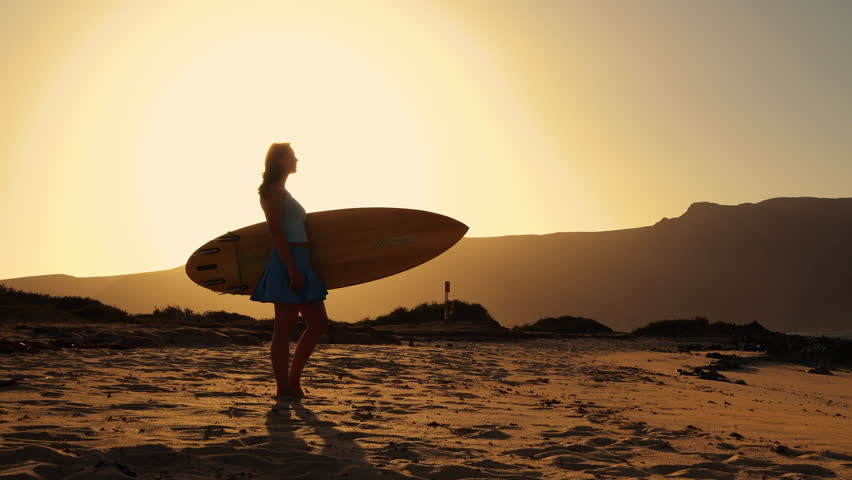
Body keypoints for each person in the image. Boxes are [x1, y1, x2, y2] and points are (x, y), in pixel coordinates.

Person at [250, 142, 330, 400]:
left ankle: (293, 380)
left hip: (302, 260)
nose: (297, 160)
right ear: (280, 160)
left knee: (318, 324)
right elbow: (275, 231)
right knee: (283, 328)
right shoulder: (272, 191)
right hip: (289, 261)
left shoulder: (283, 190)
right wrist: (291, 267)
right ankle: (283, 387)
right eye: (292, 156)